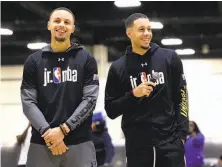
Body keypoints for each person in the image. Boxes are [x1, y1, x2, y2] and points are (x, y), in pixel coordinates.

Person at [104, 13, 189, 167]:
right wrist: (133, 95)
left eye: (149, 29)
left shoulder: (169, 58)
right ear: (129, 33)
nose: (147, 33)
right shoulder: (118, 67)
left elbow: (181, 96)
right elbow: (110, 109)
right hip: (137, 147)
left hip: (170, 144)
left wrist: (181, 135)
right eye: (141, 29)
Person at [20, 7, 99, 167]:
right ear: (49, 25)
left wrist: (63, 130)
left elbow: (90, 100)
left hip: (79, 144)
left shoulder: (86, 59)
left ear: (73, 28)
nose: (61, 25)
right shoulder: (33, 61)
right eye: (57, 21)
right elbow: (28, 103)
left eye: (66, 22)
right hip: (42, 143)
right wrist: (48, 133)